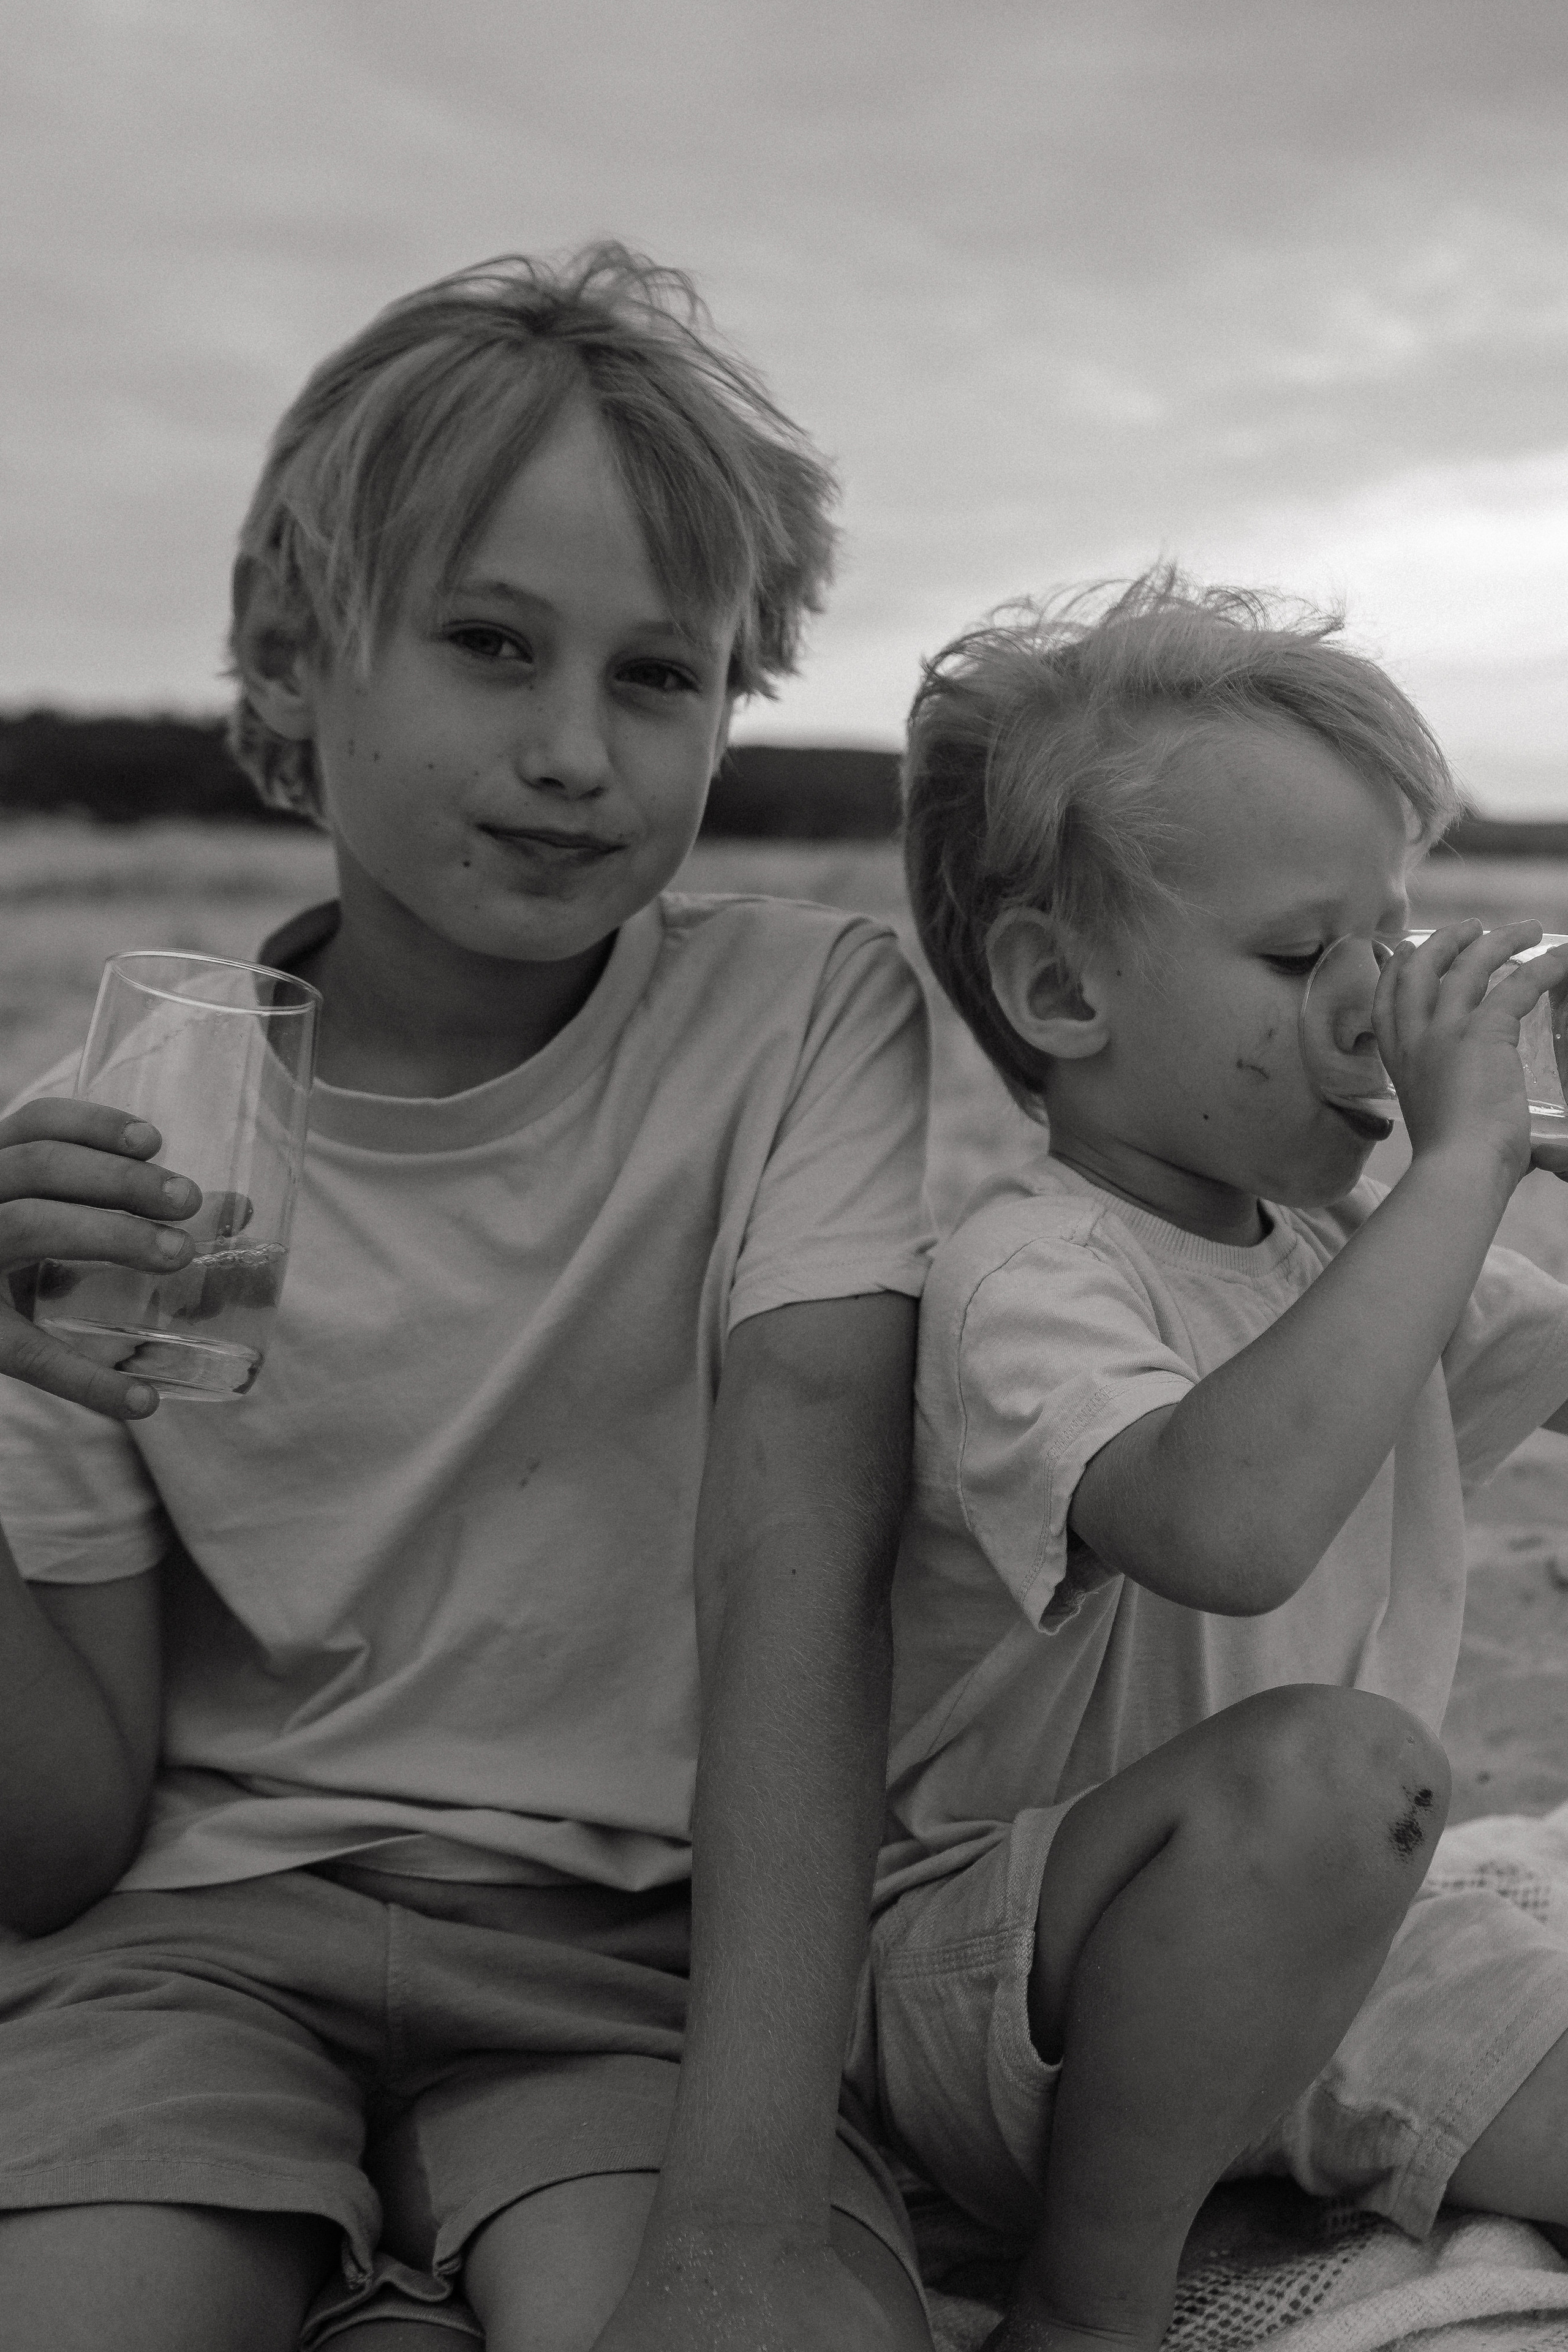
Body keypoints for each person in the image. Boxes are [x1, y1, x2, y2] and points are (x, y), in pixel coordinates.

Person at [0, 246, 937, 2352]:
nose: (572, 753)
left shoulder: (795, 1027)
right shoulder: (107, 1150)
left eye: (657, 675)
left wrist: (750, 2214)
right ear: (290, 661)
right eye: (491, 645)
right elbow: (52, 1841)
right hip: (192, 1950)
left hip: (639, 1964)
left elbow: (805, 1571)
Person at [848, 570, 1568, 2352]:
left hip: (1319, 1955)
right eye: (1299, 956)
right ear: (1059, 991)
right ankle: (1088, 2310)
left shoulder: (1339, 1256)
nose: (1372, 1010)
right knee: (1345, 1772)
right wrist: (1461, 1170)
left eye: (1387, 945)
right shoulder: (1031, 1272)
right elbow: (1224, 1524)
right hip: (1011, 1985)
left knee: (1371, 1827)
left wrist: (1507, 1161)